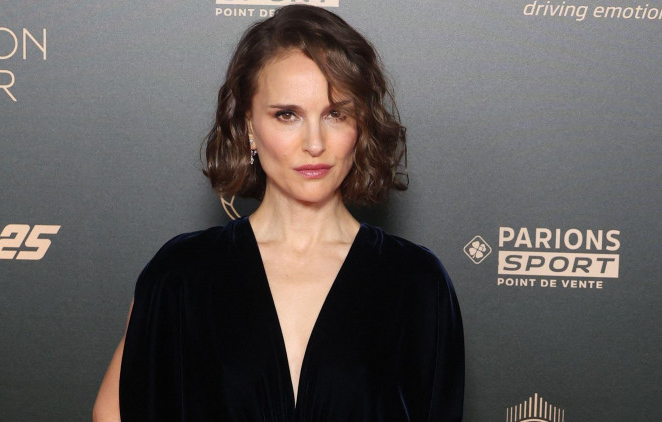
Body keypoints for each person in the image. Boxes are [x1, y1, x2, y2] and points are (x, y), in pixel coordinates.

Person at [93, 5, 464, 421]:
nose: (314, 143)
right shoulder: (181, 276)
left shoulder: (416, 283)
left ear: (360, 126)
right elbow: (114, 413)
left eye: (335, 114)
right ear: (249, 124)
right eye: (287, 115)